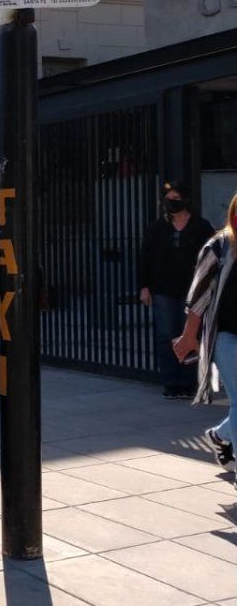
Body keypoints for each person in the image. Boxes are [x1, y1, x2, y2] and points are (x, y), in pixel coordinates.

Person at [174, 191, 237, 475]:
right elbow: (198, 296)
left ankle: (221, 435)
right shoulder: (219, 247)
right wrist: (189, 336)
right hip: (226, 336)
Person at [141, 182, 215, 399]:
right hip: (163, 288)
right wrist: (144, 286)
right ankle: (170, 381)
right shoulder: (157, 228)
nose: (171, 203)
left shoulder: (200, 226)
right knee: (166, 335)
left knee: (189, 334)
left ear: (185, 200)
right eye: (168, 199)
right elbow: (145, 258)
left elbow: (212, 256)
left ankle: (188, 381)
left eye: (175, 198)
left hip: (192, 290)